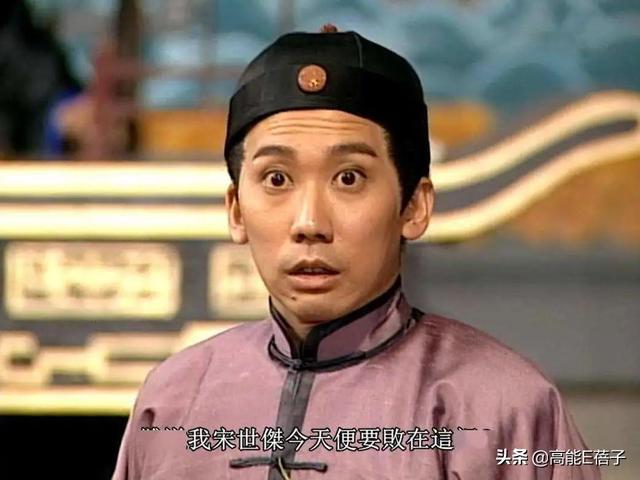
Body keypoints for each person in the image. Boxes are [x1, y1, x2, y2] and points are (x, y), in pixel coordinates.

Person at [112, 26, 600, 479]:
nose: (309, 223)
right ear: (236, 210)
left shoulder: (504, 408)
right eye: (276, 179)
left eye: (349, 178)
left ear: (414, 206)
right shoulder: (173, 401)